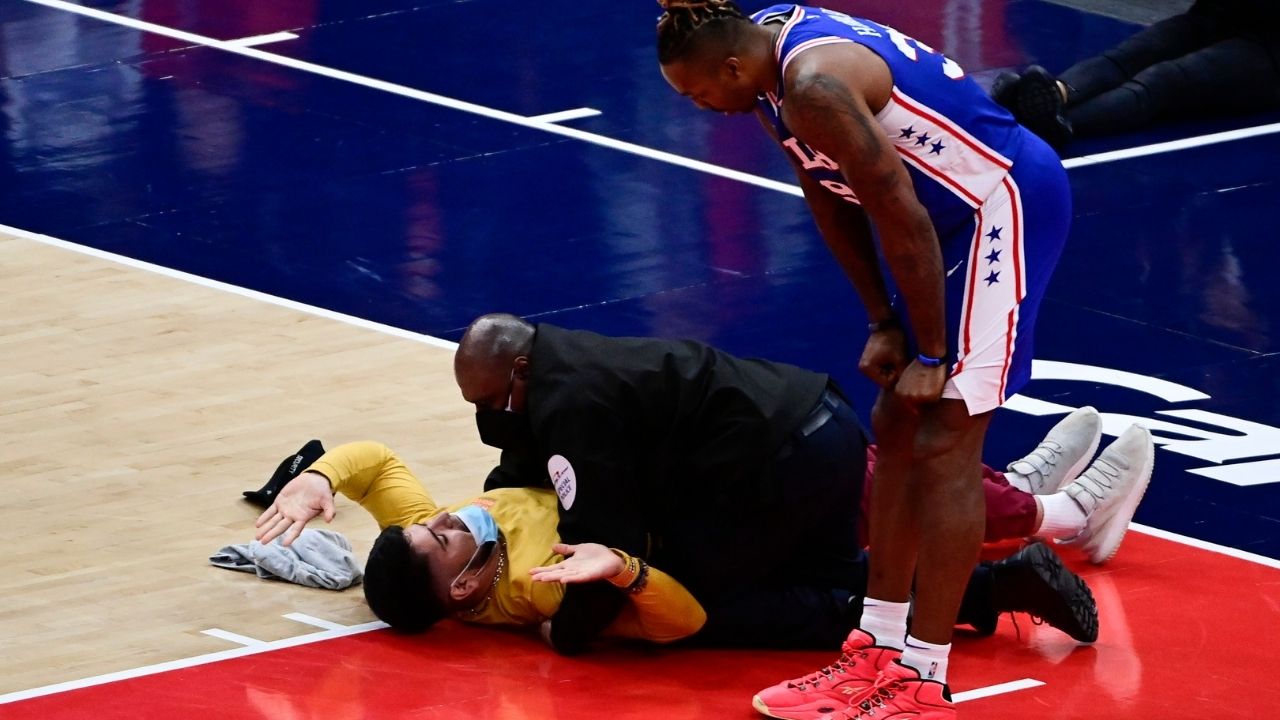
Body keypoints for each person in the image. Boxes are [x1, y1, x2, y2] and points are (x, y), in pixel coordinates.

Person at [254, 317, 1153, 655]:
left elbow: (378, 466)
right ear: (460, 586)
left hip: (771, 453)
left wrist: (317, 481)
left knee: (816, 576)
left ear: (519, 373)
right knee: (838, 560)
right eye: (442, 534)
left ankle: (1041, 520)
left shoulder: (535, 449)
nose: (447, 517)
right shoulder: (528, 581)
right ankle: (1030, 524)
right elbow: (656, 594)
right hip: (785, 433)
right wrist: (617, 583)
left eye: (491, 400)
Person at [654, 2, 1081, 716]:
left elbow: (898, 212)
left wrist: (933, 351)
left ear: (729, 67)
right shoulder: (764, 67)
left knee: (945, 435)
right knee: (896, 423)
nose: (698, 107)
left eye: (697, 93)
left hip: (997, 210)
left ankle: (924, 677)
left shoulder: (814, 85)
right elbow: (827, 193)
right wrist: (882, 320)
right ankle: (876, 646)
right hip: (937, 225)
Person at [992, 0, 1280, 148]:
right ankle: (1056, 92)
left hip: (1267, 52)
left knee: (1162, 80)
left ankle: (1053, 124)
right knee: (1126, 56)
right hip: (1215, 20)